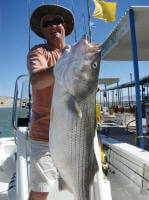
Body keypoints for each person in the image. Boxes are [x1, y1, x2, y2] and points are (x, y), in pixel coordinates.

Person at [27, 4, 75, 200]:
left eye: (57, 21)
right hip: (43, 135)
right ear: (43, 31)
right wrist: (66, 65)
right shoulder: (38, 52)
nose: (53, 25)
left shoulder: (75, 53)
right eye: (47, 23)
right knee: (41, 189)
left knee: (78, 182)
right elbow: (37, 80)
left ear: (63, 25)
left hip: (73, 136)